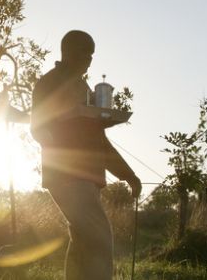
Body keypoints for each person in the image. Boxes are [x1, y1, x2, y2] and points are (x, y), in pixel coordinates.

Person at [31, 30, 142, 280]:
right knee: (100, 239)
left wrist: (128, 175)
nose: (90, 59)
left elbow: (99, 142)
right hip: (68, 174)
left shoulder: (83, 86)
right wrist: (60, 147)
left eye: (92, 55)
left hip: (86, 176)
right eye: (85, 53)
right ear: (68, 52)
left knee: (82, 242)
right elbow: (38, 127)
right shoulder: (51, 82)